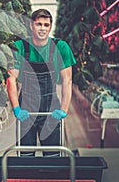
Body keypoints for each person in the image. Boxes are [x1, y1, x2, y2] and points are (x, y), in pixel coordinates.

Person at [6, 9, 76, 156]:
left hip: (51, 109)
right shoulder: (20, 47)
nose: (42, 28)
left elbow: (67, 80)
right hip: (26, 107)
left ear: (50, 27)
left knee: (53, 156)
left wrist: (63, 109)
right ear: (31, 26)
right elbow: (11, 79)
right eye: (39, 24)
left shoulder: (60, 47)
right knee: (25, 156)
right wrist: (17, 109)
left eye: (46, 25)